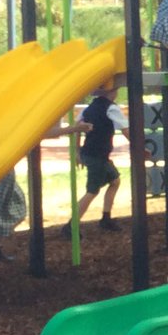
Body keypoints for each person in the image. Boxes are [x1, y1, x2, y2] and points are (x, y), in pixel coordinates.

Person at [59, 80, 130, 236]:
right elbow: (126, 130)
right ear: (113, 92)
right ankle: (71, 226)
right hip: (98, 155)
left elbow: (77, 128)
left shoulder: (89, 109)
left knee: (115, 181)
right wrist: (139, 146)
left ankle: (105, 217)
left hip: (91, 153)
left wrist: (77, 152)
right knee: (92, 191)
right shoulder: (112, 109)